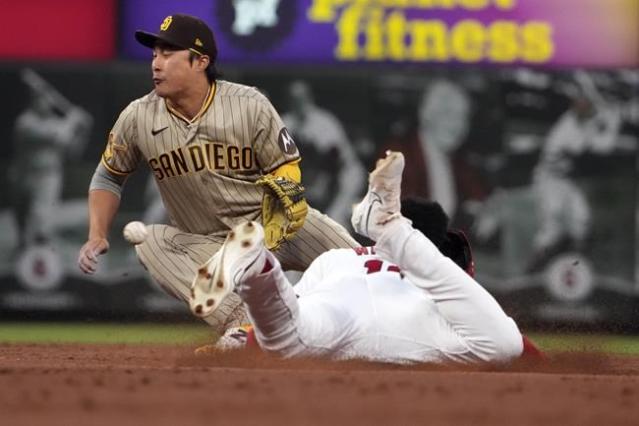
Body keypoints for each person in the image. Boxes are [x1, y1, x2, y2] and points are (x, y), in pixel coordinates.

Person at [77, 14, 357, 333]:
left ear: (200, 62)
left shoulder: (248, 103)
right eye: (154, 54)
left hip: (273, 229)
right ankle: (242, 326)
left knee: (361, 266)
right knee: (149, 243)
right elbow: (108, 176)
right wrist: (97, 234)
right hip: (209, 247)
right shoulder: (138, 116)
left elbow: (284, 164)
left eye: (168, 54)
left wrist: (283, 202)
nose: (156, 63)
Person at [198, 151, 541, 364]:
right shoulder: (438, 266)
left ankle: (257, 268)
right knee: (503, 345)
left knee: (291, 338)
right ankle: (390, 229)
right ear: (435, 242)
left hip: (338, 317)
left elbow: (290, 311)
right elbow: (517, 347)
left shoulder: (336, 259)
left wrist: (241, 338)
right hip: (417, 327)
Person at [383, 79, 486, 227]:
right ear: (426, 114)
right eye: (449, 114)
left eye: (464, 117)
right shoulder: (398, 154)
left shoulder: (459, 162)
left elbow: (480, 196)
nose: (458, 124)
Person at [11, 69, 92, 250]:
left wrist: (83, 130)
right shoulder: (25, 122)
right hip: (23, 176)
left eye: (47, 99)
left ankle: (40, 256)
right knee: (21, 225)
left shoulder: (56, 122)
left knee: (41, 221)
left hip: (48, 177)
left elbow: (73, 152)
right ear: (33, 101)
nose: (45, 102)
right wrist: (73, 119)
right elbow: (60, 136)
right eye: (41, 98)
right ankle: (22, 258)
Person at [282, 80, 365, 228]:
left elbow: (336, 163)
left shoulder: (325, 123)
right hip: (308, 181)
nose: (299, 102)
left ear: (309, 97)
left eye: (302, 97)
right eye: (294, 98)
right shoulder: (285, 122)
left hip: (342, 177)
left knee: (334, 218)